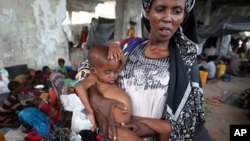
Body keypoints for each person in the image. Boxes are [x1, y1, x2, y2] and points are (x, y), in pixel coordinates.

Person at [78, 0, 212, 141]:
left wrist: (142, 123)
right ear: (147, 10)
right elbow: (86, 69)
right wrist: (95, 97)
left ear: (184, 16)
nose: (168, 17)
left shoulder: (186, 63)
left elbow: (188, 124)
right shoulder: (128, 47)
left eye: (177, 11)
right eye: (160, 9)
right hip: (116, 133)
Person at [76, 46, 171, 141]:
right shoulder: (94, 77)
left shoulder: (108, 74)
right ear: (94, 70)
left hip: (130, 120)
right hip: (114, 126)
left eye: (115, 72)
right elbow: (79, 88)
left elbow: (121, 63)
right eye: (107, 72)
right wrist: (90, 112)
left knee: (167, 127)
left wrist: (115, 46)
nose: (113, 76)